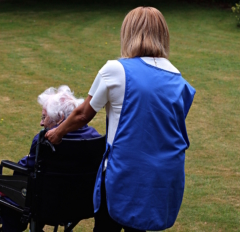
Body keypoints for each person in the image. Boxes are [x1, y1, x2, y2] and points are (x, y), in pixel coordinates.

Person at [45, 7, 196, 232]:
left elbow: (82, 114)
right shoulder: (177, 78)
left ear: (129, 33)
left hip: (125, 174)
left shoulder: (116, 70)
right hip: (162, 176)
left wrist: (57, 133)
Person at [0, 85, 101, 232]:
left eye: (44, 117)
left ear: (60, 118)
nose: (41, 123)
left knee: (10, 189)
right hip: (81, 204)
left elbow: (23, 169)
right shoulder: (95, 138)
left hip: (45, 204)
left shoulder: (46, 140)